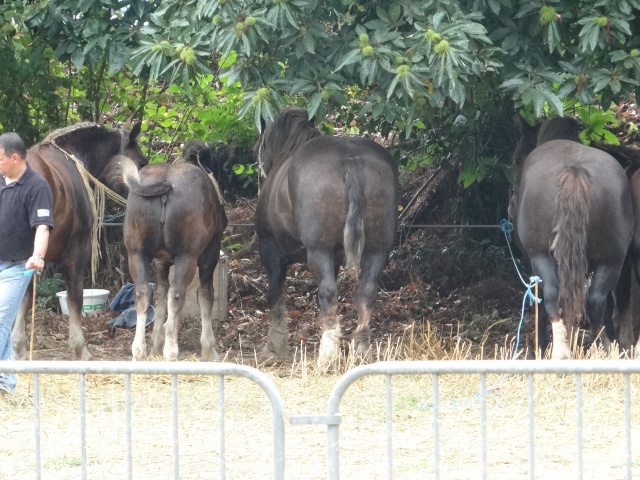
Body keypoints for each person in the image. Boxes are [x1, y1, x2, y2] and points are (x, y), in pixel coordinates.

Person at [0, 132, 53, 394]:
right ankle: (6, 383)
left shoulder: (37, 186)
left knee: (0, 320)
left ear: (15, 157)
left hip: (18, 265)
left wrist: (38, 256)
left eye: (0, 159)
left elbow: (42, 227)